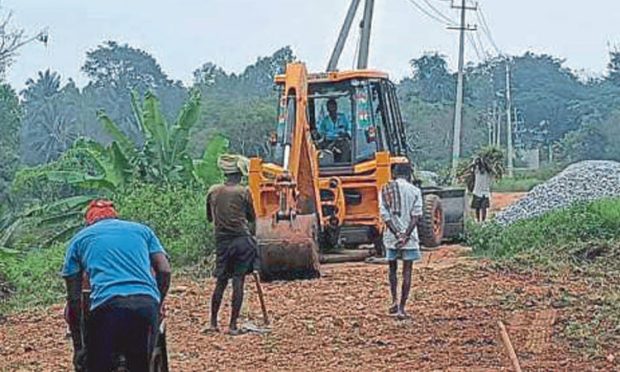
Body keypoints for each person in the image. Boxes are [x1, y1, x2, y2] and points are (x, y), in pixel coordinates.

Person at [62, 199, 171, 372]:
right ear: (115, 217)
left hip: (107, 308)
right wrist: (158, 302)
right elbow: (164, 270)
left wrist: (79, 348)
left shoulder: (79, 239)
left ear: (89, 221)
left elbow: (74, 299)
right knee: (141, 365)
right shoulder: (142, 231)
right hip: (146, 304)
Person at [206, 154, 257, 335]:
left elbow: (210, 218)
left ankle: (213, 323)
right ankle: (232, 325)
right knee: (238, 281)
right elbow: (252, 218)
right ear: (239, 175)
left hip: (222, 242)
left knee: (220, 282)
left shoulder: (213, 191)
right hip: (242, 240)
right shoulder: (244, 192)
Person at [379, 163, 423, 320]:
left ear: (394, 174)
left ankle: (394, 301)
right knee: (407, 272)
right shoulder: (415, 191)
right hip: (409, 238)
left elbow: (385, 216)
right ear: (409, 174)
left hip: (392, 237)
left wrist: (397, 234)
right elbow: (416, 216)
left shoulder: (385, 189)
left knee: (392, 269)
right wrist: (405, 235)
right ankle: (402, 309)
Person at [317, 98, 352, 163]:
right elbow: (321, 133)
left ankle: (343, 165)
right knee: (323, 152)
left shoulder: (343, 117)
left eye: (333, 106)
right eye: (330, 107)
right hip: (329, 141)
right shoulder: (325, 121)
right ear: (327, 109)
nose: (332, 109)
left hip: (341, 141)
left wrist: (346, 133)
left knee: (347, 147)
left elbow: (349, 129)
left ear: (336, 107)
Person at [471, 157, 492, 222]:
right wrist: (477, 161)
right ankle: (478, 220)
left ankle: (483, 221)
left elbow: (489, 168)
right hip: (477, 192)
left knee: (484, 208)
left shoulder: (488, 172)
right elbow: (473, 166)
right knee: (477, 208)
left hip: (485, 193)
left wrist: (485, 162)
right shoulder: (476, 171)